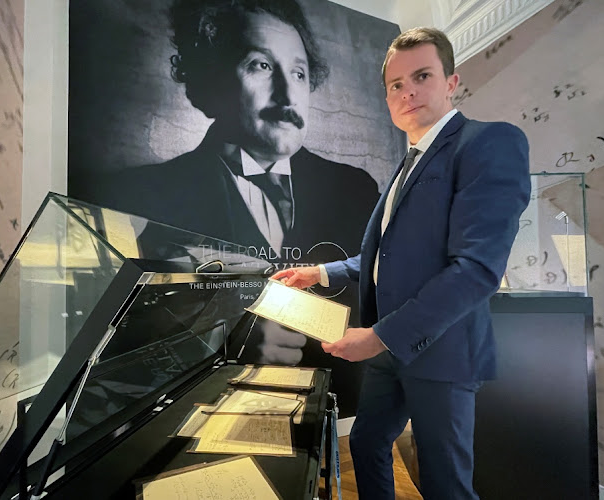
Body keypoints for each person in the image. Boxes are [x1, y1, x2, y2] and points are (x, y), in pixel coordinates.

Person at [272, 27, 531, 499]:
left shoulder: (488, 143)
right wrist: (321, 272)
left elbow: (475, 271)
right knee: (368, 441)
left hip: (442, 351)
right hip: (391, 349)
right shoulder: (407, 161)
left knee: (445, 484)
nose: (407, 91)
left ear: (451, 82)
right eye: (395, 85)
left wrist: (377, 336)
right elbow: (384, 259)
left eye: (422, 76)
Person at [76, 0, 381, 371]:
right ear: (210, 78)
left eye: (299, 73)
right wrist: (241, 340)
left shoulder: (355, 189)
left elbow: (376, 300)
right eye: (261, 66)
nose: (288, 94)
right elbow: (128, 335)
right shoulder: (140, 199)